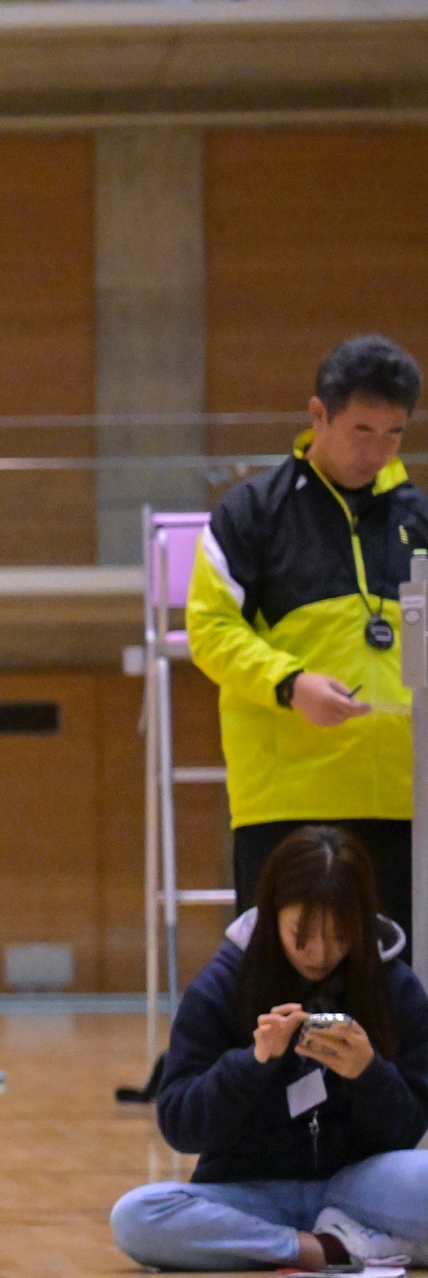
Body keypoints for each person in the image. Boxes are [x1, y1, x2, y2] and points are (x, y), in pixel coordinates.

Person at [188, 334, 427, 951]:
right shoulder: (251, 512)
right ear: (318, 414)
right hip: (286, 805)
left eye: (394, 434)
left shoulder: (417, 519)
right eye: (361, 430)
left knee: (401, 989)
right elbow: (211, 629)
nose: (376, 451)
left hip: (406, 802)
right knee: (284, 983)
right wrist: (290, 684)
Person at [112, 826, 428, 1271]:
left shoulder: (395, 987)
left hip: (357, 1190)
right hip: (247, 1192)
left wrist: (369, 1073)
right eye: (301, 934)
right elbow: (180, 1126)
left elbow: (407, 1133)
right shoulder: (221, 986)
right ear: (273, 913)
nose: (319, 953)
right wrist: (252, 1063)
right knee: (136, 1217)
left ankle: (334, 1239)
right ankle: (324, 1249)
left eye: (340, 935)